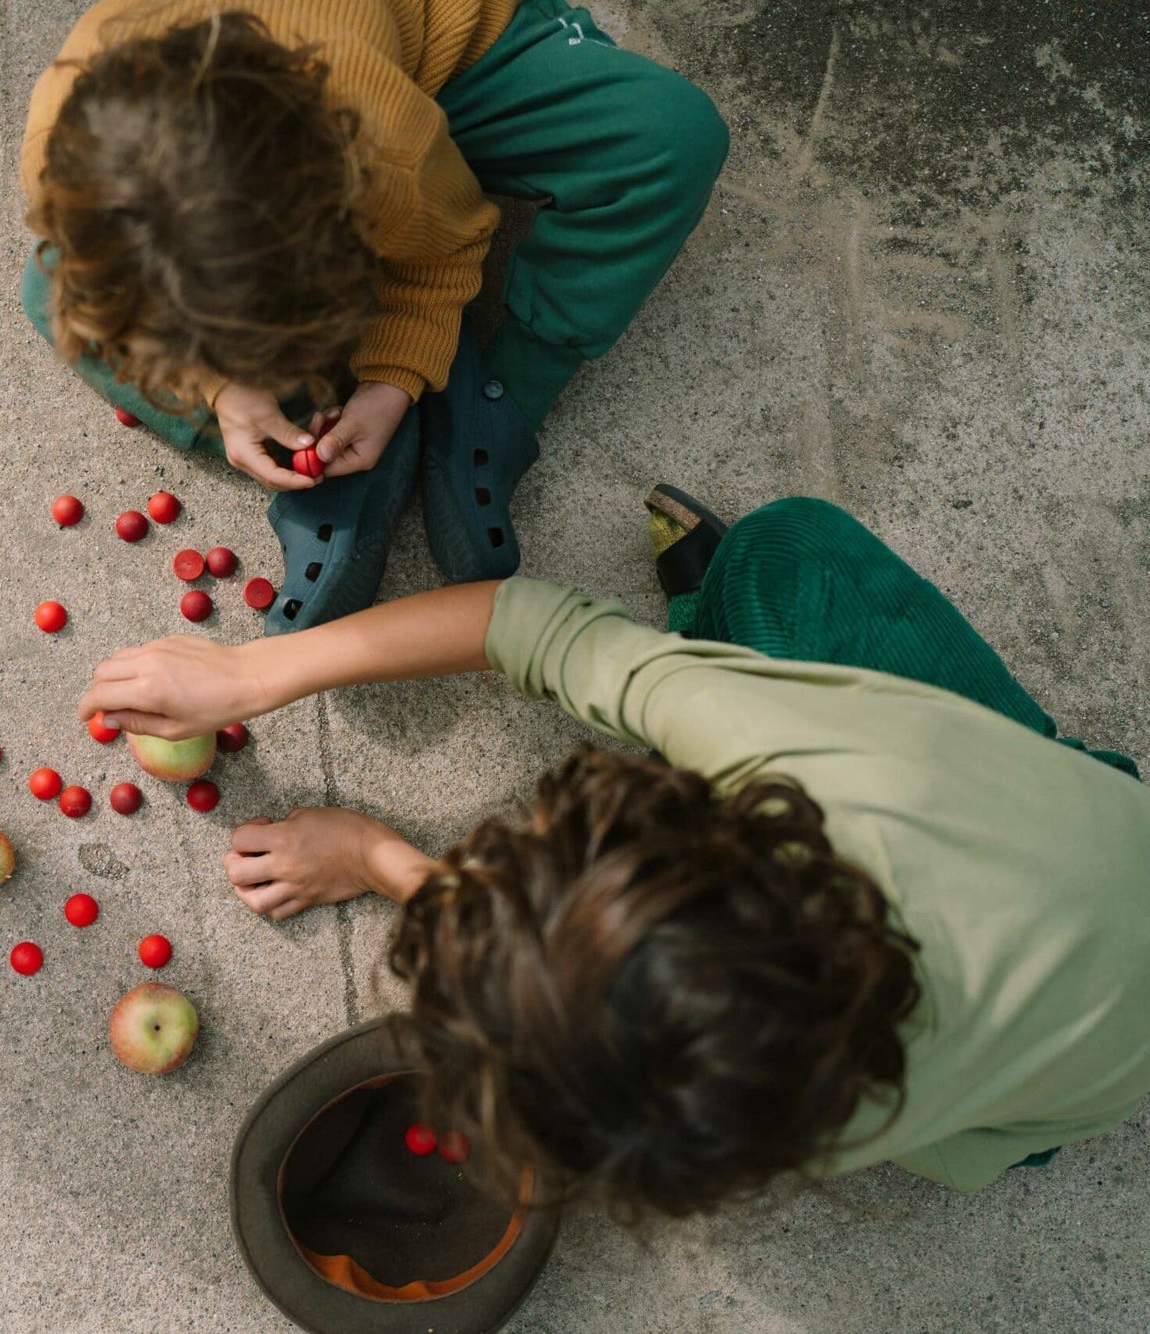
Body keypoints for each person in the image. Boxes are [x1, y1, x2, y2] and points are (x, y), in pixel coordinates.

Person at [77, 488, 1150, 1212]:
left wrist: (379, 860)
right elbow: (528, 625)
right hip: (1073, 885)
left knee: (781, 568)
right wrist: (257, 675)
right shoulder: (794, 750)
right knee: (788, 554)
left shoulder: (847, 1108)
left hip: (1024, 1081)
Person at [21, 1, 727, 631]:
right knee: (49, 293)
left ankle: (494, 396)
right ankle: (309, 446)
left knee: (674, 138)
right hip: (343, 128)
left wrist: (392, 372)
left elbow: (444, 244)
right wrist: (222, 390)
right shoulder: (64, 157)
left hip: (453, 48)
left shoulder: (370, 143)